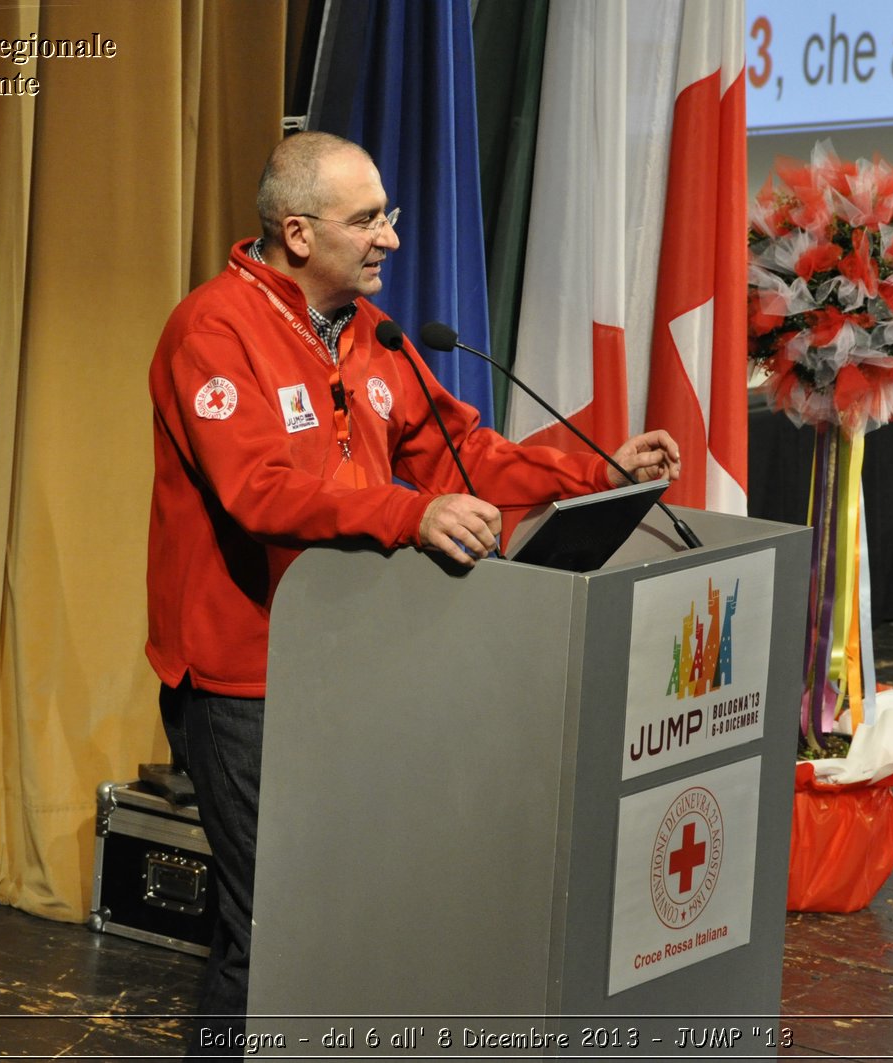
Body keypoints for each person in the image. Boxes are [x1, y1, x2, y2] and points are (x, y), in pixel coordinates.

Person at [145, 131, 680, 1056]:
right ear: (299, 234)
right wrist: (408, 516)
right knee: (273, 914)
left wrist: (590, 470)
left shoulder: (373, 337)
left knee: (338, 901)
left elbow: (460, 448)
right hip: (245, 674)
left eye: (388, 213)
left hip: (361, 655)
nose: (391, 235)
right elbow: (256, 489)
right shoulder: (213, 330)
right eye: (368, 219)